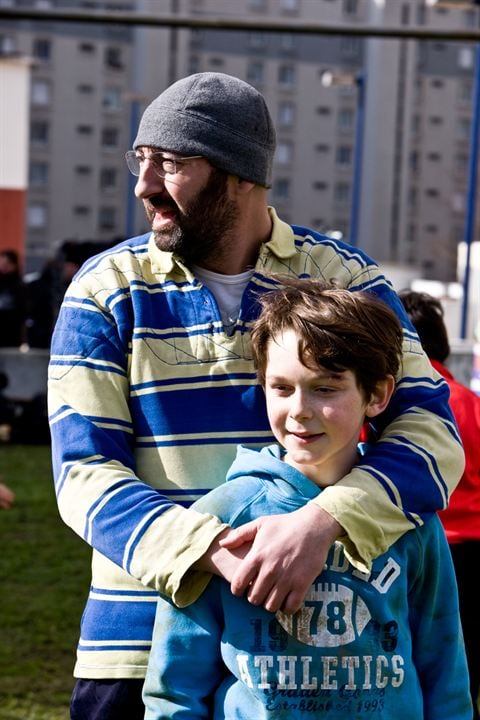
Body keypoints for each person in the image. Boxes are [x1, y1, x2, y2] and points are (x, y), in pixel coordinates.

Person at [47, 72, 464, 719]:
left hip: (331, 668)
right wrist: (219, 553)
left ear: (242, 176)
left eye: (172, 163)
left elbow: (435, 436)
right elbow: (83, 473)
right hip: (136, 650)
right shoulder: (107, 288)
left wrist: (321, 525)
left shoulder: (344, 277)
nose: (144, 185)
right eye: (141, 160)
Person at [143, 279, 472, 719]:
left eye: (325, 388)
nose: (299, 410)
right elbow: (174, 691)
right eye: (281, 388)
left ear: (377, 395)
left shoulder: (410, 519)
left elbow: (444, 670)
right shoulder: (221, 516)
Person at [399, 288, 480, 719]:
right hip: (473, 552)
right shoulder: (472, 404)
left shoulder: (388, 409)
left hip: (419, 553)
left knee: (414, 659)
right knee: (464, 670)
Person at [0, 249, 26, 347]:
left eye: (6, 264)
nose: (3, 267)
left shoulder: (19, 286)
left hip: (12, 333)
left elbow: (23, 310)